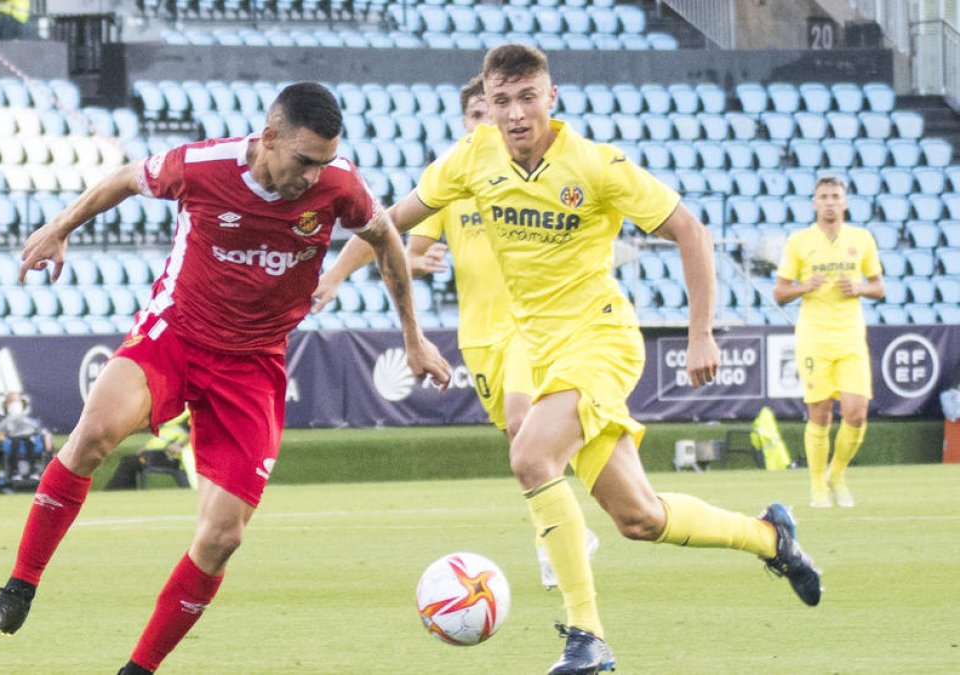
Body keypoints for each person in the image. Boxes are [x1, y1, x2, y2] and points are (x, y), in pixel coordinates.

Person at [320, 44, 822, 674]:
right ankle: (772, 537)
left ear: (550, 98)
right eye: (501, 101)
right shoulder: (474, 157)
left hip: (601, 340)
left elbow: (690, 230)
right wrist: (335, 274)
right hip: (540, 347)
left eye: (527, 97)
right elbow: (389, 221)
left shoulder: (595, 165)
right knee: (639, 518)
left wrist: (701, 334)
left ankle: (588, 638)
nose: (514, 114)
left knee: (530, 454)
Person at [0, 81, 452, 674]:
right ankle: (17, 591)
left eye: (323, 163)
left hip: (254, 364)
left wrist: (413, 336)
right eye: (303, 161)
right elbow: (121, 179)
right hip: (177, 334)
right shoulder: (201, 166)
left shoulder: (339, 185)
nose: (313, 176)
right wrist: (61, 227)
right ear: (269, 137)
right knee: (92, 435)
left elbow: (386, 240)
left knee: (222, 537)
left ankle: (138, 670)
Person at [314, 75, 596, 588]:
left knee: (521, 420)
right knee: (521, 441)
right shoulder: (456, 182)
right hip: (480, 334)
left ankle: (552, 541)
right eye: (476, 114)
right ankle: (566, 528)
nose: (487, 121)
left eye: (493, 111)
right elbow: (395, 236)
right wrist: (338, 275)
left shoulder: (539, 176)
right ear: (465, 122)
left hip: (533, 326)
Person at [774, 175, 884, 508]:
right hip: (814, 337)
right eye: (823, 196)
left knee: (856, 412)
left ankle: (837, 474)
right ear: (814, 203)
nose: (830, 201)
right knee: (819, 414)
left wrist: (860, 288)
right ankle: (817, 486)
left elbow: (879, 287)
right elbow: (779, 293)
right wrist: (804, 286)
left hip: (850, 336)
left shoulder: (861, 239)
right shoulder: (799, 241)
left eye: (836, 195)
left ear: (845, 202)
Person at [0, 392, 54, 492]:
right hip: (13, 442)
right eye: (12, 402)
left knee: (30, 441)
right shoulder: (5, 422)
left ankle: (33, 472)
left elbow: (42, 431)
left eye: (17, 401)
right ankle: (15, 473)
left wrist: (47, 439)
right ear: (7, 405)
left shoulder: (30, 421)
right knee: (16, 442)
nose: (15, 404)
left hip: (30, 441)